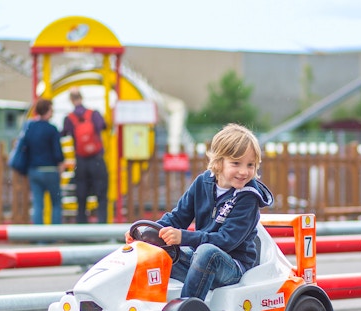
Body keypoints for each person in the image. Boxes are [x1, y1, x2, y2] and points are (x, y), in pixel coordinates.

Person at [125, 123, 274, 300]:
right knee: (157, 252)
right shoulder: (203, 182)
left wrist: (184, 237)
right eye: (236, 163)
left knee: (206, 252)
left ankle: (187, 309)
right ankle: (139, 306)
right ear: (219, 162)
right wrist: (146, 235)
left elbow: (227, 241)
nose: (244, 171)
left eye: (251, 165)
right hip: (200, 258)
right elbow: (178, 217)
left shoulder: (248, 197)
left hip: (232, 266)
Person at [61, 87, 109, 224]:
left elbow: (64, 133)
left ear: (71, 100)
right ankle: (102, 226)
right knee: (101, 195)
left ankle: (82, 227)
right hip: (97, 161)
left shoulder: (69, 118)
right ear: (82, 98)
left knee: (81, 196)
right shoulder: (94, 114)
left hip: (81, 162)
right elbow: (104, 126)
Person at [25, 98, 65, 224]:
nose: (52, 112)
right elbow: (57, 152)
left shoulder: (30, 127)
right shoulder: (52, 129)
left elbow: (26, 148)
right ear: (47, 111)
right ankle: (54, 235)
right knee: (56, 203)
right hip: (50, 170)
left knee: (38, 204)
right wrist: (61, 164)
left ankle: (39, 238)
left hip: (34, 170)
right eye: (51, 109)